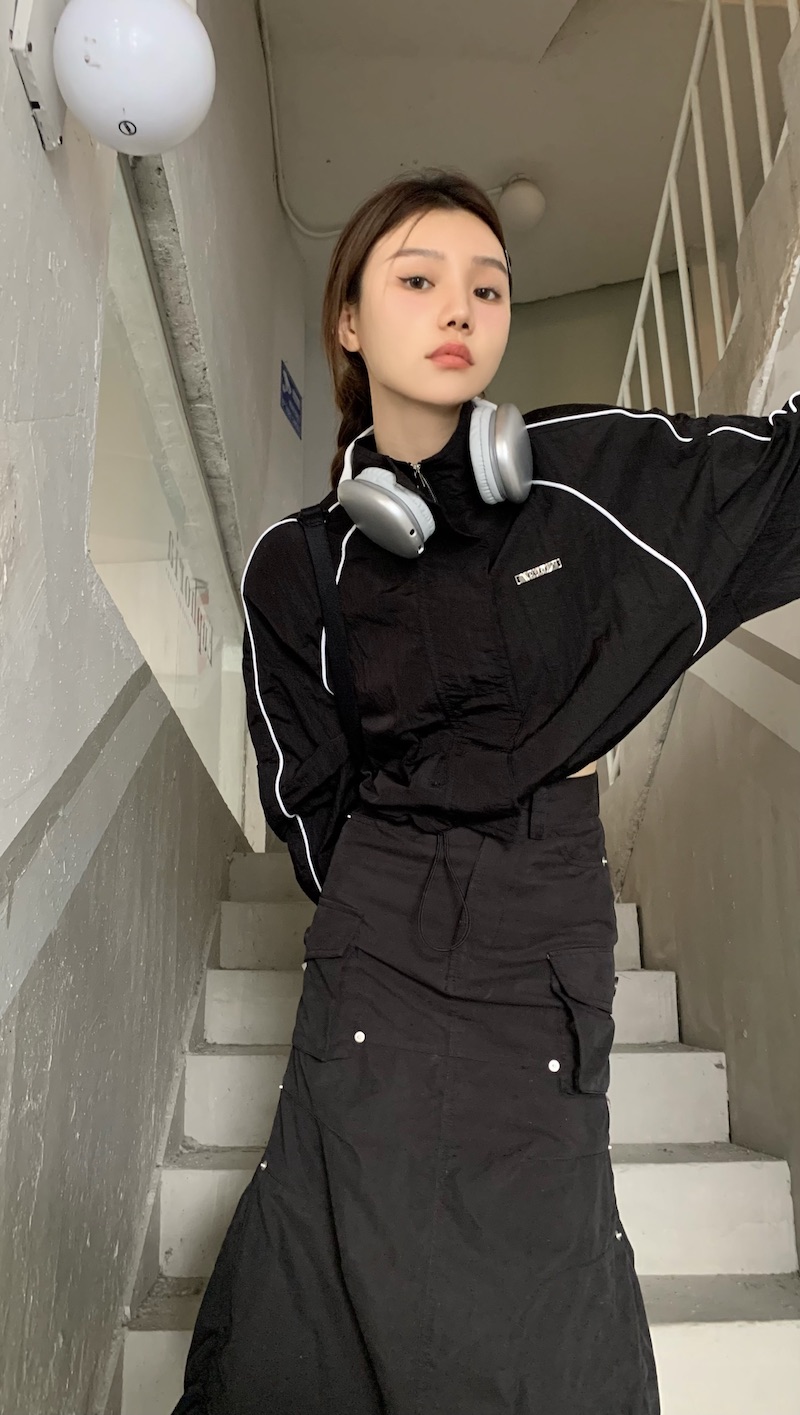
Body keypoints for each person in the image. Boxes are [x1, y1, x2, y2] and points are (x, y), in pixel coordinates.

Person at [172, 168, 800, 1415]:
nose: (459, 305)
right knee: (308, 1291)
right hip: (377, 933)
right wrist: (384, 889)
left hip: (538, 921)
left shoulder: (590, 475)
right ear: (348, 320)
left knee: (541, 1298)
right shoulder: (297, 563)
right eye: (417, 279)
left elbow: (780, 479)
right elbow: (307, 793)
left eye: (488, 286)